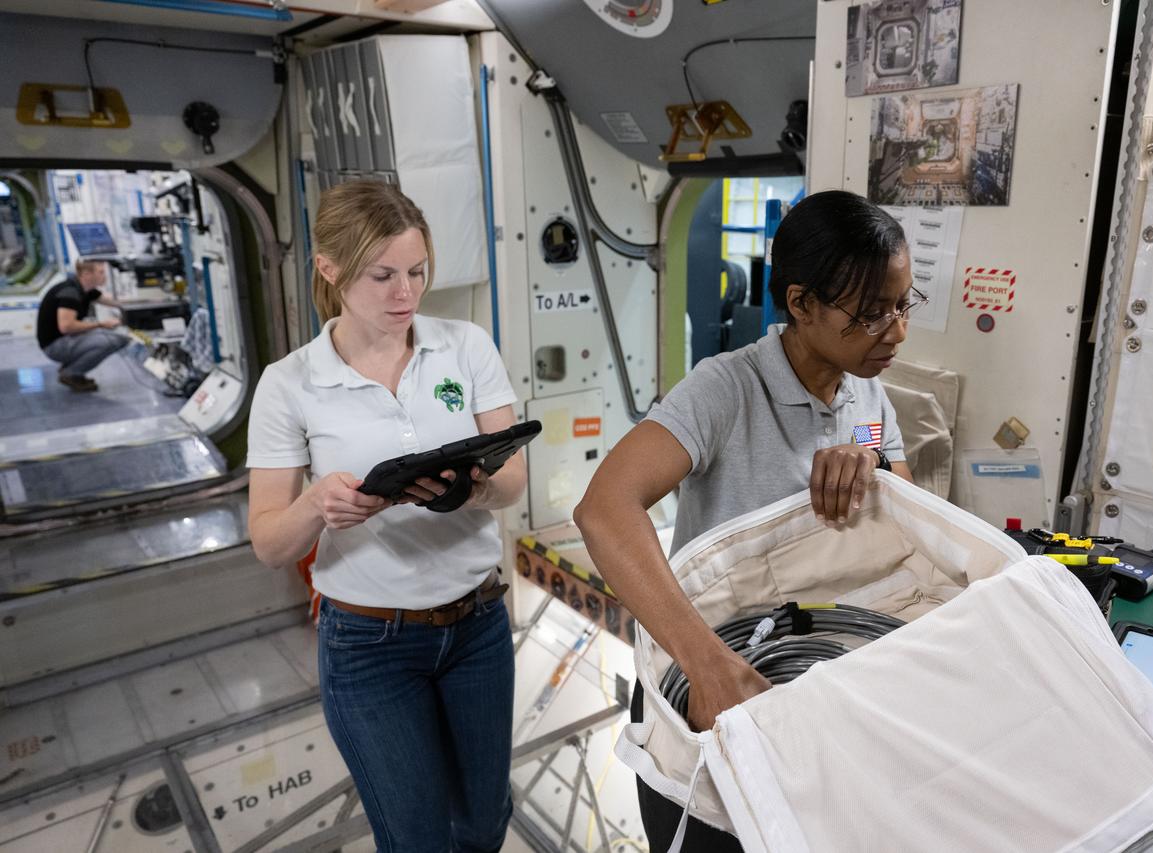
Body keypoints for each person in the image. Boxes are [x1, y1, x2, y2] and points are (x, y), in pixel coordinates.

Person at [574, 190, 919, 852]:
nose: (897, 331)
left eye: (904, 305)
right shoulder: (725, 389)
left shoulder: (869, 392)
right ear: (801, 304)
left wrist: (870, 458)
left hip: (812, 692)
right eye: (873, 313)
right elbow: (603, 508)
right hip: (714, 692)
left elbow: (906, 509)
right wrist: (709, 667)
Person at [246, 181, 526, 853]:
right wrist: (318, 503)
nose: (407, 292)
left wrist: (468, 492)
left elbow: (513, 479)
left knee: (484, 823)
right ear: (329, 268)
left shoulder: (465, 348)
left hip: (478, 626)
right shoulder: (290, 383)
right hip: (369, 647)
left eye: (418, 271)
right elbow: (268, 542)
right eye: (384, 275)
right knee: (417, 838)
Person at [36, 258, 129, 391]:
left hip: (64, 340)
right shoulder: (70, 293)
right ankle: (71, 373)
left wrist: (148, 302)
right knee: (115, 339)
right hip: (54, 346)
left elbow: (114, 302)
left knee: (113, 335)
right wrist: (101, 324)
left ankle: (71, 368)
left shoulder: (86, 290)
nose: (105, 276)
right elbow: (66, 327)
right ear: (86, 274)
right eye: (101, 272)